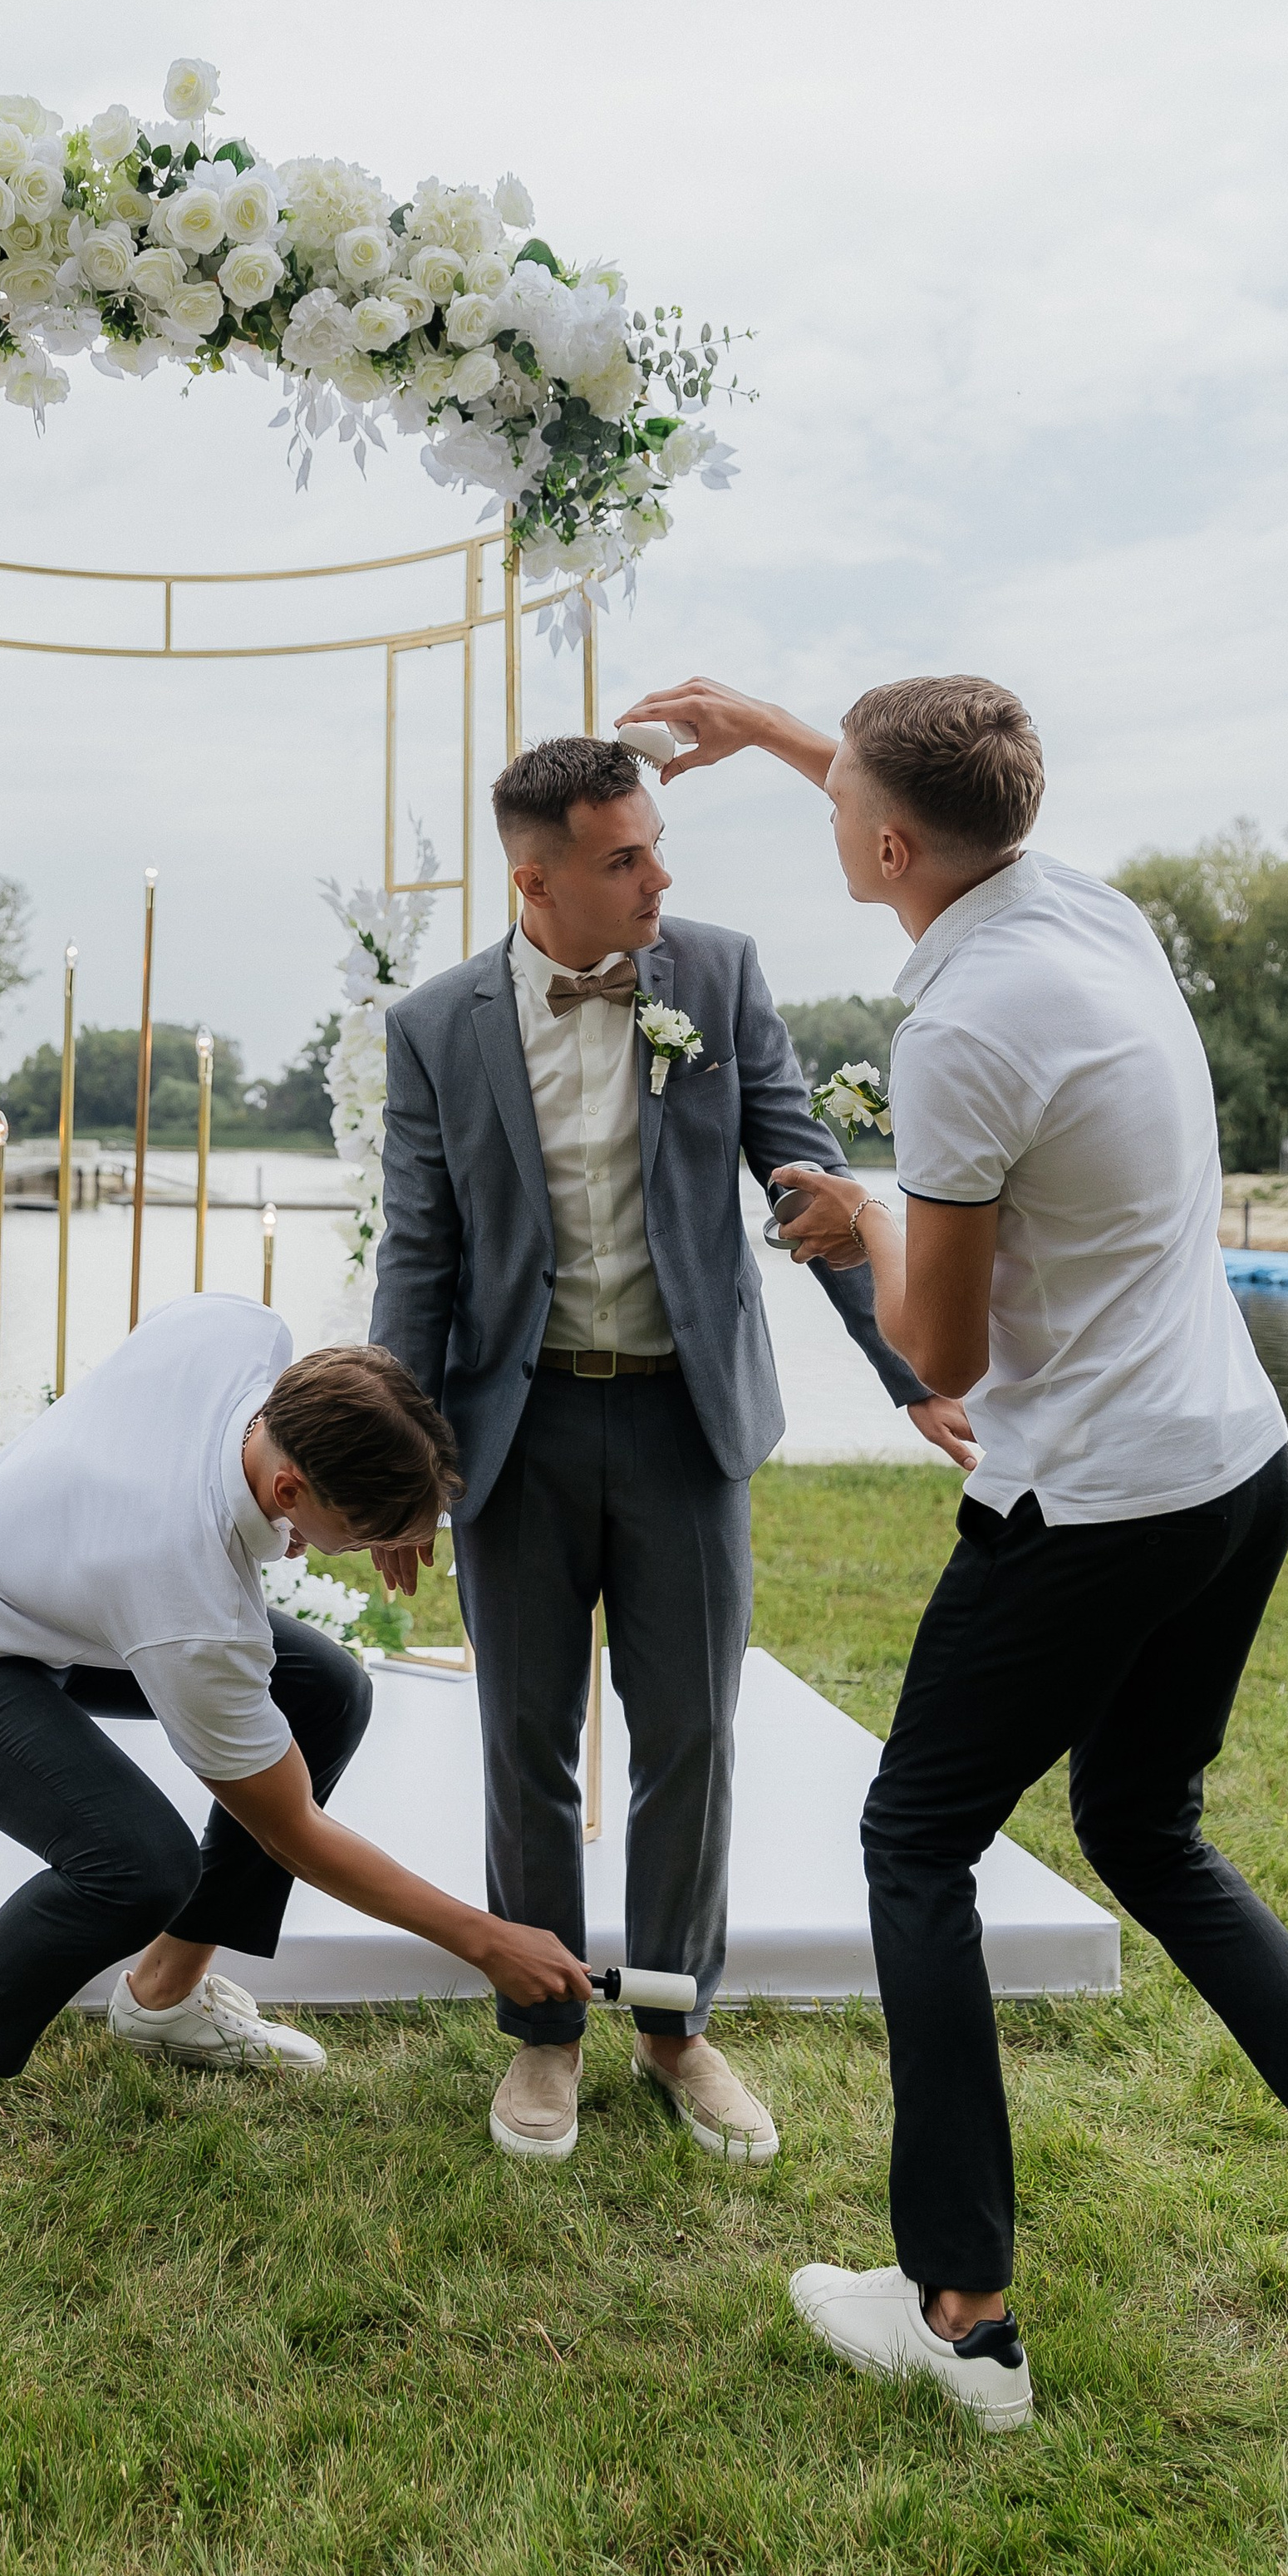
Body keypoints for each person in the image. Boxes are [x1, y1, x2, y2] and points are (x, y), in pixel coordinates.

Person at [618, 667, 1288, 2428]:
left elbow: (939, 1353)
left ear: (886, 848)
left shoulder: (958, 1035)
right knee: (1146, 1829)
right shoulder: (1086, 912)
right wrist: (776, 733)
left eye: (839, 800)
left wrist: (863, 1219)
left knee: (914, 1840)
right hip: (1234, 1466)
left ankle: (961, 2316)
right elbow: (925, 802)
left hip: (1092, 1502)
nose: (832, 812)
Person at [369, 733, 973, 2168]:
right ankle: (544, 2030)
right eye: (625, 859)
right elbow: (419, 1255)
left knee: (692, 1734)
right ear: (538, 881)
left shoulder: (719, 974)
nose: (659, 879)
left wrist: (910, 1372)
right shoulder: (435, 1026)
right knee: (523, 1739)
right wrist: (399, 1471)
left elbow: (813, 1182)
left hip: (683, 1424)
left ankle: (673, 2023)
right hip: (512, 1435)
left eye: (656, 848)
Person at [0, 1293, 588, 2208]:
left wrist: (398, 1496)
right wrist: (486, 1939)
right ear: (290, 1491)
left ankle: (163, 1995)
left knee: (326, 1690)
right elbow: (291, 1832)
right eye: (356, 1538)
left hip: (57, 1599)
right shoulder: (192, 1605)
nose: (356, 1553)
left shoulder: (243, 1335)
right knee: (136, 1866)